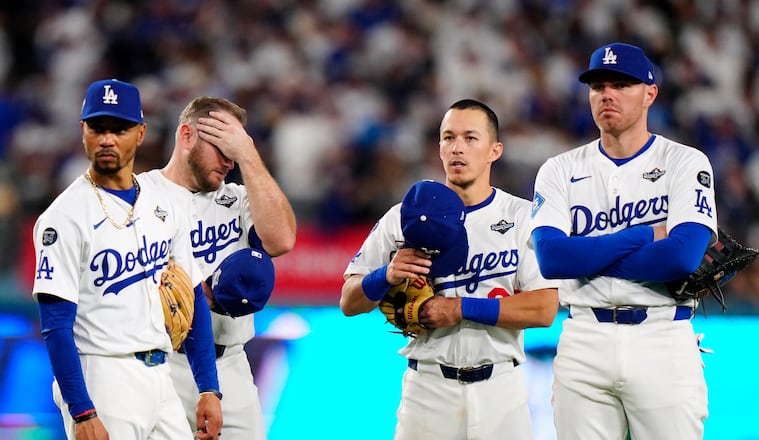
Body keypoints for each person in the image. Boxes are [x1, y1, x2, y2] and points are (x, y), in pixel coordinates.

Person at [529, 42, 717, 439]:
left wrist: (589, 257)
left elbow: (681, 257)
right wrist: (645, 234)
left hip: (663, 336)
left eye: (621, 85)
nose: (606, 94)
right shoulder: (558, 170)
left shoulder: (686, 162)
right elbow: (552, 258)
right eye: (597, 87)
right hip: (583, 340)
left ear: (650, 93)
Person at [341, 98, 559, 440]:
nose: (457, 148)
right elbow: (349, 302)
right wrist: (384, 275)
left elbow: (544, 309)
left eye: (471, 138)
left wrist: (458, 309)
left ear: (494, 150)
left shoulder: (522, 217)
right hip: (427, 387)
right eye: (448, 138)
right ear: (439, 147)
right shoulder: (403, 217)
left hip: (500, 388)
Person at [32, 79, 223, 440]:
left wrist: (208, 389)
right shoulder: (64, 217)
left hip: (161, 375)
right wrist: (82, 410)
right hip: (103, 377)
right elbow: (55, 325)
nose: (107, 139)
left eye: (119, 129)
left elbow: (195, 295)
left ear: (140, 133)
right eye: (98, 128)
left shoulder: (165, 201)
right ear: (83, 131)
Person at [140, 96, 297, 439]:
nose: (229, 161)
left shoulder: (237, 198)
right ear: (186, 136)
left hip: (228, 366)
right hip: (157, 364)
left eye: (235, 150)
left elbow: (282, 240)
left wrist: (249, 155)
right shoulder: (140, 195)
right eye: (221, 148)